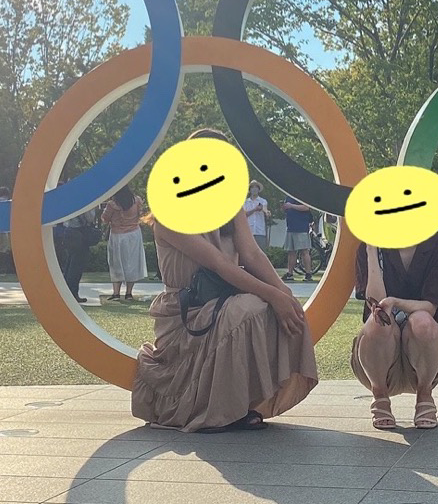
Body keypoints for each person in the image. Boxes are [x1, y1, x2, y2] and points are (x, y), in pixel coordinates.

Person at [133, 128, 316, 432]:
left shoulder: (230, 207)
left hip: (223, 298)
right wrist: (273, 295)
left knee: (278, 307)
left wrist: (283, 293)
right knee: (249, 309)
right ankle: (213, 409)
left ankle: (242, 403)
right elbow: (218, 264)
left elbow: (252, 254)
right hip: (187, 310)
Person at [352, 233, 438, 430]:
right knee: (378, 322)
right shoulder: (369, 246)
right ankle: (379, 394)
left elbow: (431, 307)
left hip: (423, 352)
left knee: (423, 320)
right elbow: (376, 304)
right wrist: (371, 251)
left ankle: (424, 394)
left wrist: (396, 302)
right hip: (377, 354)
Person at [103, 186, 148, 301]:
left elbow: (105, 219)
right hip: (134, 234)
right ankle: (129, 293)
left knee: (116, 263)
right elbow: (141, 215)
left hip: (117, 235)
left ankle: (116, 293)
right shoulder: (136, 200)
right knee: (132, 263)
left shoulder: (112, 204)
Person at [281, 195, 314, 281]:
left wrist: (291, 206)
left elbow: (306, 207)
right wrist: (284, 207)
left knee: (304, 251)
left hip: (301, 228)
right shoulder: (288, 196)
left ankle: (308, 274)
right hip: (291, 227)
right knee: (291, 251)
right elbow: (287, 208)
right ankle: (290, 274)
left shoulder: (301, 194)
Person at [244, 180, 271, 255]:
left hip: (260, 231)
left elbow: (265, 209)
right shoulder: (245, 202)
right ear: (250, 190)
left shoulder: (263, 201)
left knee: (261, 253)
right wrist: (255, 209)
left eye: (256, 187)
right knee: (249, 253)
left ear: (259, 189)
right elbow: (244, 214)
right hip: (249, 231)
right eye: (252, 187)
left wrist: (267, 212)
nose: (254, 189)